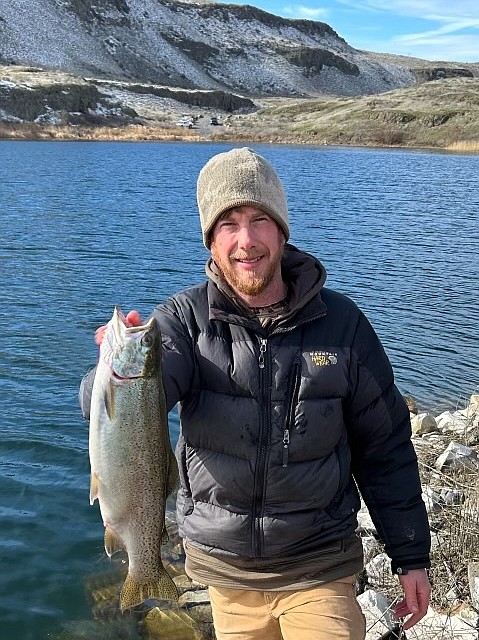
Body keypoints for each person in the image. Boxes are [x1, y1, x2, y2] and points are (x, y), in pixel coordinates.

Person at [80, 147, 431, 639]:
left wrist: (410, 555)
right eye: (228, 224)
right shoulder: (182, 321)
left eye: (259, 220)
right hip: (227, 574)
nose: (246, 241)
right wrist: (106, 374)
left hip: (320, 565)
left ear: (282, 230)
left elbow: (386, 449)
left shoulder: (343, 325)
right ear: (211, 240)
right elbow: (129, 405)